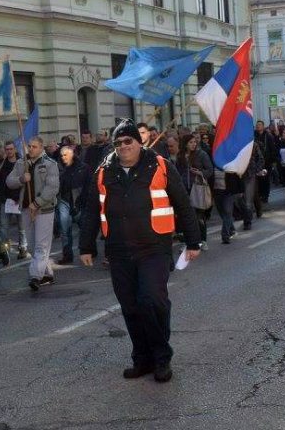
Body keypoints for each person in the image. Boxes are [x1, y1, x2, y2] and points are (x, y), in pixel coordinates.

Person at [78, 120, 201, 383]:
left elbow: (183, 204)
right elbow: (91, 210)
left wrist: (193, 241)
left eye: (128, 141)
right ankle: (142, 358)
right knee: (131, 306)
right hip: (119, 251)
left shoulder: (159, 165)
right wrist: (86, 246)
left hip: (154, 248)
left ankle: (161, 357)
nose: (123, 147)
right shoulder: (104, 171)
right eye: (118, 143)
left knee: (152, 300)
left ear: (139, 142)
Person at [6, 136, 60, 291]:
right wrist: (22, 179)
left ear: (41, 147)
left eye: (34, 146)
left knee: (41, 246)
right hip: (25, 209)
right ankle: (47, 273)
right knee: (31, 245)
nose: (31, 149)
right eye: (29, 146)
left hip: (44, 209)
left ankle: (35, 276)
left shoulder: (50, 164)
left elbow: (52, 187)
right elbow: (9, 181)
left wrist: (37, 203)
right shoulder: (21, 163)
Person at [56, 144, 91, 264]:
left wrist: (85, 200)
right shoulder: (59, 168)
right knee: (65, 230)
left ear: (72, 154)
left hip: (79, 201)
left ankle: (89, 250)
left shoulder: (83, 167)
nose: (63, 157)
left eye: (65, 155)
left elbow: (88, 185)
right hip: (64, 201)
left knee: (85, 228)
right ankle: (67, 255)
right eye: (61, 155)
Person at [178, 134, 213, 246]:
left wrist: (200, 173)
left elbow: (210, 170)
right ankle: (189, 242)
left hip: (197, 188)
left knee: (199, 216)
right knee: (187, 216)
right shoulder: (181, 155)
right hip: (184, 189)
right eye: (190, 142)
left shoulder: (201, 154)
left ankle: (203, 240)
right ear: (185, 144)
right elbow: (177, 171)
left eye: (194, 142)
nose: (193, 144)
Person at [0, 142, 27, 259]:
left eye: (11, 149)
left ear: (15, 149)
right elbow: (0, 183)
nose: (9, 151)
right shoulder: (2, 164)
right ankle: (5, 250)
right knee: (3, 228)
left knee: (22, 227)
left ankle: (23, 248)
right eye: (7, 149)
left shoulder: (21, 163)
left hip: (20, 199)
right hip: (5, 200)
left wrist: (20, 197)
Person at [254, 121, 277, 203]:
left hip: (266, 161)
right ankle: (260, 194)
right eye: (257, 125)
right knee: (259, 179)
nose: (258, 126)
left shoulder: (268, 136)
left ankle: (265, 195)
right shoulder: (254, 135)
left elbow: (272, 149)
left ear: (263, 126)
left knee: (266, 179)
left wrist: (272, 160)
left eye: (259, 125)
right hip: (256, 162)